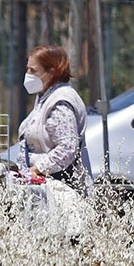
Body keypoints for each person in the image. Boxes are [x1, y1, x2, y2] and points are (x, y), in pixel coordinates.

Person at [15, 46, 90, 189]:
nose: (28, 74)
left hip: (60, 188)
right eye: (28, 69)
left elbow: (67, 148)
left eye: (33, 70)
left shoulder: (61, 102)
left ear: (51, 73)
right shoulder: (45, 97)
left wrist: (37, 169)